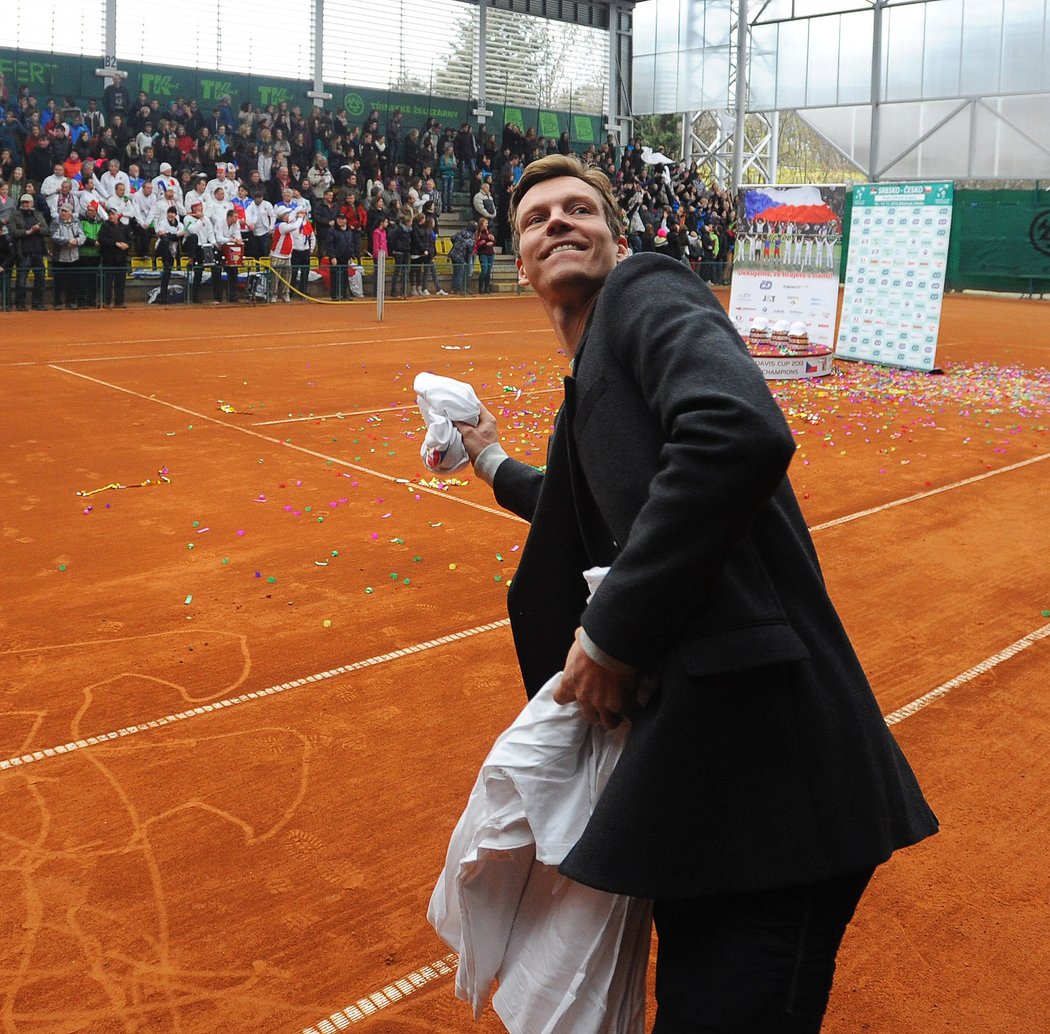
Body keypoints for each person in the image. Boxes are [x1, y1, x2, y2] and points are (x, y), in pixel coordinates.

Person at [452, 154, 938, 1034]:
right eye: (536, 220)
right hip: (710, 784)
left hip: (778, 786)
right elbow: (568, 503)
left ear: (618, 237)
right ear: (519, 265)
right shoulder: (590, 378)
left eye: (579, 210)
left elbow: (735, 430)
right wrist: (488, 455)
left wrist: (611, 636)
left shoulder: (642, 292)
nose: (558, 223)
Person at [12, 192, 49, 310]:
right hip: (23, 251)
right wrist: (27, 232)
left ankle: (37, 303)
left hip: (37, 251)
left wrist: (37, 230)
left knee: (40, 278)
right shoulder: (15, 215)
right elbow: (13, 232)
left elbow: (47, 230)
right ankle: (20, 304)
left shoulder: (38, 215)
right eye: (23, 202)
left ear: (32, 203)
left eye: (27, 202)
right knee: (21, 279)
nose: (25, 204)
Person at [98, 203, 132, 307]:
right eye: (110, 214)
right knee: (107, 282)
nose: (111, 216)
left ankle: (119, 302)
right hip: (109, 258)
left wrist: (127, 245)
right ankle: (106, 302)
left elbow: (130, 240)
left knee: (120, 282)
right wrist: (115, 243)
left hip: (121, 258)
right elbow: (102, 239)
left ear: (118, 215)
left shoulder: (124, 227)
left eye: (113, 214)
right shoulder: (105, 226)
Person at [474, 215, 495, 294]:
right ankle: (481, 288)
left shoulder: (489, 232)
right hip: (483, 253)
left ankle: (487, 288)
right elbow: (477, 244)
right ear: (481, 224)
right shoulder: (478, 233)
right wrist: (484, 243)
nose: (487, 225)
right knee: (484, 270)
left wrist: (492, 241)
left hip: (490, 252)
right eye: (485, 223)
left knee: (488, 271)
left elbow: (493, 241)